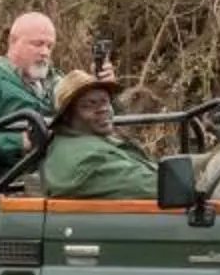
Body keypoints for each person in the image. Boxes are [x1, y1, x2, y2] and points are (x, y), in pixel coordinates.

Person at [0, 12, 114, 170]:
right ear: (13, 42)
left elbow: (99, 121)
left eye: (50, 46)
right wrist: (20, 141)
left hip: (68, 170)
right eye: (38, 44)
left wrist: (103, 90)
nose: (45, 52)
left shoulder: (58, 80)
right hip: (11, 181)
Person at [38, 70, 158, 202]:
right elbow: (153, 186)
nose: (103, 109)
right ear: (67, 116)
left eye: (105, 101)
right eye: (89, 105)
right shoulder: (85, 160)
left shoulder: (89, 141)